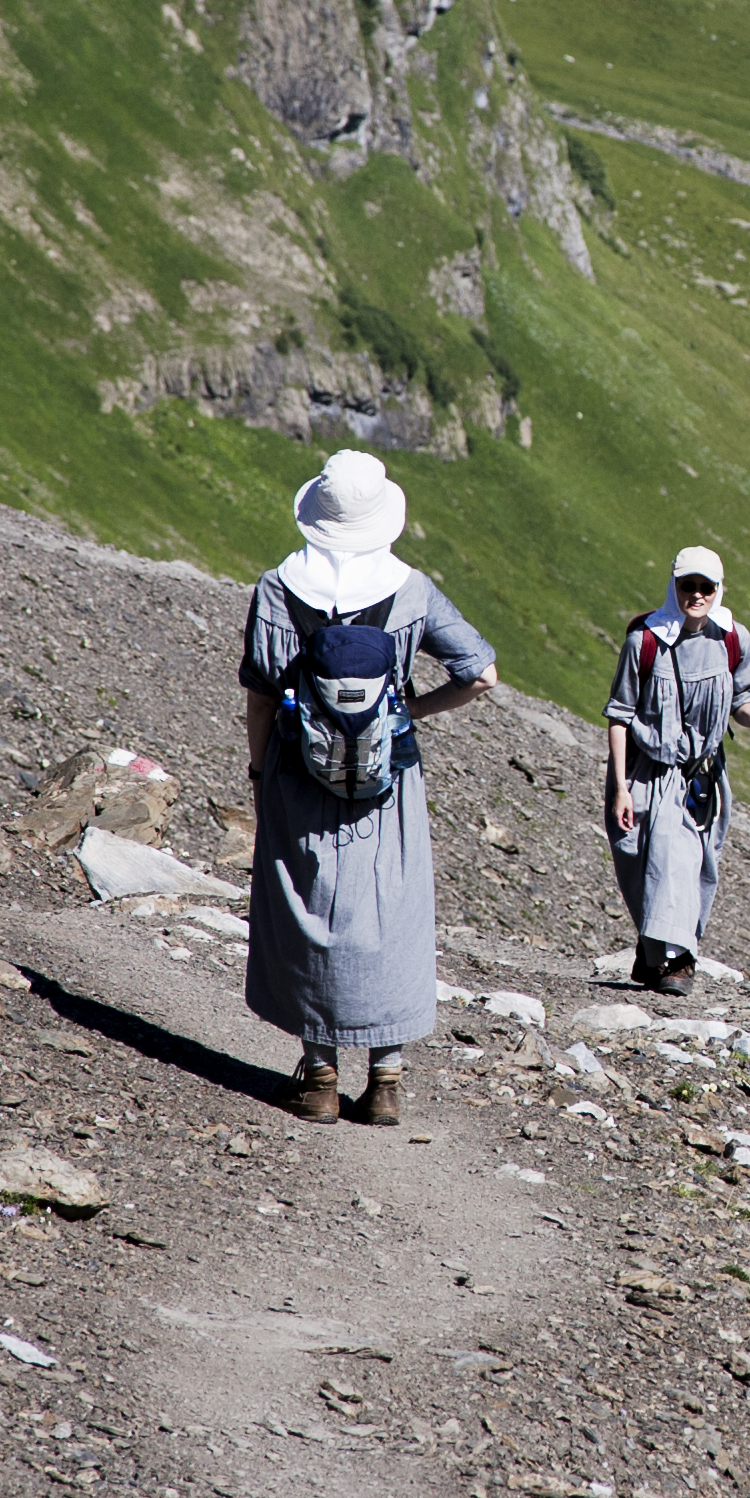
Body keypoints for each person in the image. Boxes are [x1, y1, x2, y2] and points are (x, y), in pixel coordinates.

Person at [238, 449, 497, 1124]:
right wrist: (409, 712)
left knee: (309, 910)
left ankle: (320, 1077)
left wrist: (261, 773)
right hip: (388, 781)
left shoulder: (277, 589)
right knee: (391, 915)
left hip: (299, 774)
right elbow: (481, 673)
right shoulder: (410, 589)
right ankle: (386, 1079)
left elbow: (261, 697)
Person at [605, 545, 750, 996]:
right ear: (674, 585)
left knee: (693, 864)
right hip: (650, 772)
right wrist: (621, 787)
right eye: (689, 585)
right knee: (657, 860)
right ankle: (672, 959)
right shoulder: (644, 641)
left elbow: (743, 696)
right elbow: (620, 716)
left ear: (719, 590)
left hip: (704, 775)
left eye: (707, 587)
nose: (697, 594)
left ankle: (663, 957)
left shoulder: (733, 639)